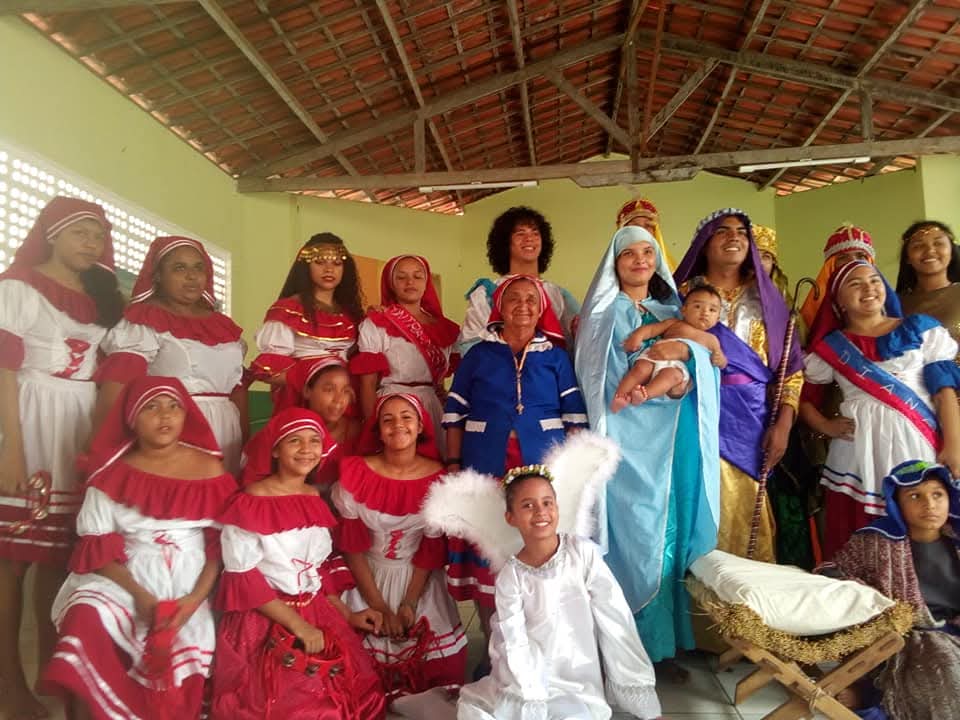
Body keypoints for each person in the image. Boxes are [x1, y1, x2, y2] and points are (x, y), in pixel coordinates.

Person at [42, 377, 235, 720]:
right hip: (126, 576)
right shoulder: (110, 474)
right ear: (131, 418)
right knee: (86, 613)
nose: (165, 415)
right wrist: (140, 595)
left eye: (174, 406)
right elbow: (97, 550)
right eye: (151, 407)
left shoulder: (210, 468)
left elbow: (218, 547)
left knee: (191, 637)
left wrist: (194, 600)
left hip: (193, 579)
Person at [576, 224, 720, 674]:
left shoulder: (673, 310)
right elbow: (596, 377)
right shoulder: (602, 314)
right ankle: (624, 645)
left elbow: (707, 363)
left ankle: (665, 644)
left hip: (670, 438)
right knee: (630, 534)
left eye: (648, 252)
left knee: (668, 532)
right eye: (629, 254)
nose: (640, 261)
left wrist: (682, 377)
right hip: (622, 437)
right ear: (614, 263)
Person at [0, 196, 123, 720]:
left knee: (58, 556)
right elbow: (4, 370)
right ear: (51, 234)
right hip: (28, 416)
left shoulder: (101, 298)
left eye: (98, 235)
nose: (92, 244)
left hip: (77, 422)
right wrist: (12, 450)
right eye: (81, 233)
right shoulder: (18, 287)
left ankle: (52, 673)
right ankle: (7, 684)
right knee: (12, 561)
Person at [444, 274, 588, 673]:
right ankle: (495, 653)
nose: (523, 306)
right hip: (484, 461)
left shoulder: (555, 356)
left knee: (540, 550)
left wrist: (573, 473)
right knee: (488, 550)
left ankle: (541, 650)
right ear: (499, 308)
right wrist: (454, 464)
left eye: (531, 300)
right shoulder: (478, 355)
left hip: (542, 464)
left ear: (541, 310)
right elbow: (454, 413)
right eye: (514, 299)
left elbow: (574, 416)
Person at [210, 407, 386, 720]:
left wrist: (347, 614)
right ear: (275, 449)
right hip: (264, 619)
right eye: (294, 440)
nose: (306, 449)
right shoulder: (250, 501)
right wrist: (298, 625)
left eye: (314, 440)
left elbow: (317, 570)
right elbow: (244, 579)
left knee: (342, 697)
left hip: (314, 610)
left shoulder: (313, 497)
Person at [456, 465, 662, 720]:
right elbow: (513, 638)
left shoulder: (582, 553)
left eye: (547, 502)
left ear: (557, 507)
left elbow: (615, 617)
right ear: (510, 517)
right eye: (528, 505)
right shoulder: (511, 576)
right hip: (531, 676)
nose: (540, 511)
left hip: (578, 679)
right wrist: (531, 697)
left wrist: (643, 701)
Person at [800, 261, 960, 557]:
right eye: (855, 283)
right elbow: (803, 397)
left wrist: (953, 445)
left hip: (917, 444)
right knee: (860, 537)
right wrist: (824, 425)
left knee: (926, 519)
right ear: (839, 300)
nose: (869, 288)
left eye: (874, 280)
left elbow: (944, 392)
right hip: (858, 454)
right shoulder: (832, 347)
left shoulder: (920, 329)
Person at [673, 208, 804, 563]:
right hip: (694, 415)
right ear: (704, 243)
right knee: (697, 508)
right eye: (723, 231)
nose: (734, 237)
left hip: (752, 424)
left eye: (742, 232)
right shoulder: (679, 296)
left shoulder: (767, 301)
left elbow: (790, 370)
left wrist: (784, 425)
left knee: (749, 519)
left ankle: (747, 598)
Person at [333, 393, 467, 698]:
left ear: (420, 427)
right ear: (378, 431)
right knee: (355, 678)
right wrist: (379, 607)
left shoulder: (439, 480)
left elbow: (430, 550)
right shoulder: (355, 473)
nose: (398, 425)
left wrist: (408, 604)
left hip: (418, 579)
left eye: (407, 417)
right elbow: (353, 549)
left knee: (436, 680)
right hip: (366, 578)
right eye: (388, 419)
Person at [817, 460, 960, 720]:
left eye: (937, 495)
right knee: (943, 670)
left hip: (954, 629)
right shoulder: (875, 540)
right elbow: (832, 571)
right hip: (903, 635)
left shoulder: (956, 539)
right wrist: (875, 601)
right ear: (896, 503)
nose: (929, 505)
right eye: (915, 496)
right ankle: (871, 695)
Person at [94, 236, 247, 474]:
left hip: (228, 432)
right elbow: (117, 386)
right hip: (174, 427)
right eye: (179, 268)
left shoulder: (223, 325)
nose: (192, 276)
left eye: (199, 268)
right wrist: (105, 445)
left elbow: (237, 390)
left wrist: (245, 442)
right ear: (157, 276)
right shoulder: (143, 322)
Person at [351, 255, 459, 454]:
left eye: (417, 276)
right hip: (393, 405)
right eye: (401, 277)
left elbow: (442, 381)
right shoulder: (378, 322)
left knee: (431, 464)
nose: (410, 282)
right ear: (391, 283)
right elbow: (367, 384)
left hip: (432, 407)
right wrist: (373, 425)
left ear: (426, 282)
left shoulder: (445, 328)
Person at [457, 207, 579, 354]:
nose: (529, 238)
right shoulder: (485, 293)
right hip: (499, 367)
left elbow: (578, 342)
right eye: (520, 233)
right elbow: (470, 346)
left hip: (549, 368)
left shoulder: (558, 294)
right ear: (505, 242)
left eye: (535, 233)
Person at [251, 232, 364, 389]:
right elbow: (269, 372)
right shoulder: (287, 309)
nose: (329, 269)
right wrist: (316, 386)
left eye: (337, 263)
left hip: (344, 396)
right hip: (302, 395)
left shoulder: (351, 315)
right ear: (306, 267)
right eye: (319, 262)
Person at [612, 283, 727, 411]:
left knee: (672, 377)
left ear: (717, 318)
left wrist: (720, 360)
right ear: (684, 310)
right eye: (698, 306)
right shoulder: (674, 323)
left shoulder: (711, 340)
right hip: (655, 355)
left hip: (678, 367)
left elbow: (719, 363)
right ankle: (620, 396)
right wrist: (637, 337)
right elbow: (651, 330)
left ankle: (644, 394)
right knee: (641, 368)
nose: (705, 312)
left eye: (712, 310)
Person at [266, 355, 360, 488]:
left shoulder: (354, 430)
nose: (339, 399)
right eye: (329, 390)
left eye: (346, 391)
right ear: (307, 391)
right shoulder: (288, 429)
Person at [799, 224, 877, 335]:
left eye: (861, 256)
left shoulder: (884, 301)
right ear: (831, 266)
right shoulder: (815, 310)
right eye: (843, 257)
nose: (853, 262)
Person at [896, 221, 960, 344]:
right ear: (907, 257)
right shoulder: (895, 304)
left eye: (938, 243)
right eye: (919, 245)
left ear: (952, 252)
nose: (930, 250)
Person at [615, 195, 676, 270]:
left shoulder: (671, 270)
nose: (642, 230)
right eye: (635, 226)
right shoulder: (611, 270)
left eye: (648, 225)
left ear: (655, 231)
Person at [753, 224, 793, 305]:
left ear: (773, 263)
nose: (760, 263)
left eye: (766, 257)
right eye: (754, 257)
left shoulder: (782, 297)